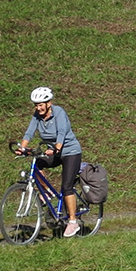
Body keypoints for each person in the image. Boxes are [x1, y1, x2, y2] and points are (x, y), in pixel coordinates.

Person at [20, 86, 85, 237]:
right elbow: (29, 132)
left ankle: (73, 222)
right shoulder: (37, 116)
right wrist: (22, 148)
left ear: (49, 103)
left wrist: (57, 147)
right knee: (36, 164)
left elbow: (61, 131)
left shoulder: (59, 112)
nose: (38, 108)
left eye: (41, 104)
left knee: (66, 186)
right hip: (53, 152)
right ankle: (48, 193)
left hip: (70, 152)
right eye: (36, 105)